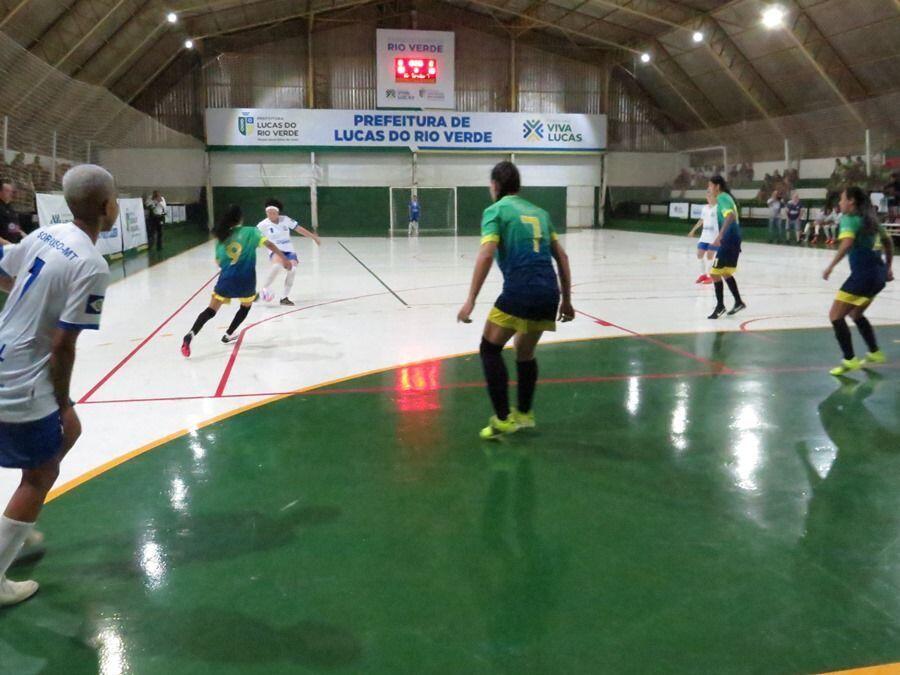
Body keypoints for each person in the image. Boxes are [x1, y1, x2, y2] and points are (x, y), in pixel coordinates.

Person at [0, 164, 117, 607]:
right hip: (22, 382)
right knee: (42, 471)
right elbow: (64, 344)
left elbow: (5, 269)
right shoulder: (91, 264)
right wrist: (64, 399)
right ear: (108, 207)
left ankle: (14, 527)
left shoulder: (42, 236)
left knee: (70, 433)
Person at [456, 161, 574, 440]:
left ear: (495, 186)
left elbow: (486, 254)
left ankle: (502, 419)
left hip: (520, 291)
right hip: (549, 293)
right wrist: (566, 301)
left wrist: (470, 300)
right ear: (518, 187)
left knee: (489, 348)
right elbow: (562, 258)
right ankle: (524, 414)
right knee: (524, 349)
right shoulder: (540, 213)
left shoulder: (495, 211)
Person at [181, 205, 291, 357]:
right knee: (245, 307)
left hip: (226, 280)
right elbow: (270, 245)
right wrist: (284, 258)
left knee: (210, 311)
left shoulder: (222, 237)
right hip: (246, 281)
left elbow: (219, 262)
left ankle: (190, 335)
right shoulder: (251, 232)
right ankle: (228, 334)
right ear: (240, 218)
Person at [822, 186, 894, 376]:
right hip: (878, 276)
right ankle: (875, 352)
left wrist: (830, 266)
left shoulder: (849, 219)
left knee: (835, 316)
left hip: (863, 277)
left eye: (842, 199)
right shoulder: (871, 219)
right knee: (855, 314)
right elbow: (888, 242)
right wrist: (888, 267)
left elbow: (847, 244)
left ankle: (849, 359)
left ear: (851, 201)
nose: (840, 203)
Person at [257, 199, 320, 306]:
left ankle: (284, 298)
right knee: (277, 266)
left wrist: (313, 237)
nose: (270, 215)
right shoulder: (263, 225)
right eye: (268, 213)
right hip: (275, 251)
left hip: (289, 250)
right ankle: (263, 289)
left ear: (278, 212)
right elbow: (254, 237)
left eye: (273, 213)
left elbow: (299, 229)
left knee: (293, 270)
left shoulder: (285, 220)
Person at [707, 175, 746, 319]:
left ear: (717, 186)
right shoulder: (727, 198)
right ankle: (738, 301)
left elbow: (730, 216)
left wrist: (719, 237)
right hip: (734, 240)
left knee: (714, 273)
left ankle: (720, 306)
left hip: (729, 240)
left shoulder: (722, 197)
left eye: (710, 186)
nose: (709, 189)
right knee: (724, 272)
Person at [687, 192, 718, 284]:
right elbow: (701, 220)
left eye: (710, 196)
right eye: (707, 196)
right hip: (704, 235)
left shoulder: (718, 208)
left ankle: (710, 276)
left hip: (714, 236)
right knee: (699, 254)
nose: (708, 198)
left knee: (710, 256)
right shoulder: (705, 208)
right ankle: (703, 274)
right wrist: (693, 230)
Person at [0, 178, 22, 244]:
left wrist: (27, 237)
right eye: (7, 191)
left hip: (14, 245)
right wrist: (9, 245)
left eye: (11, 191)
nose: (10, 193)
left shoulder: (10, 208)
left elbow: (12, 227)